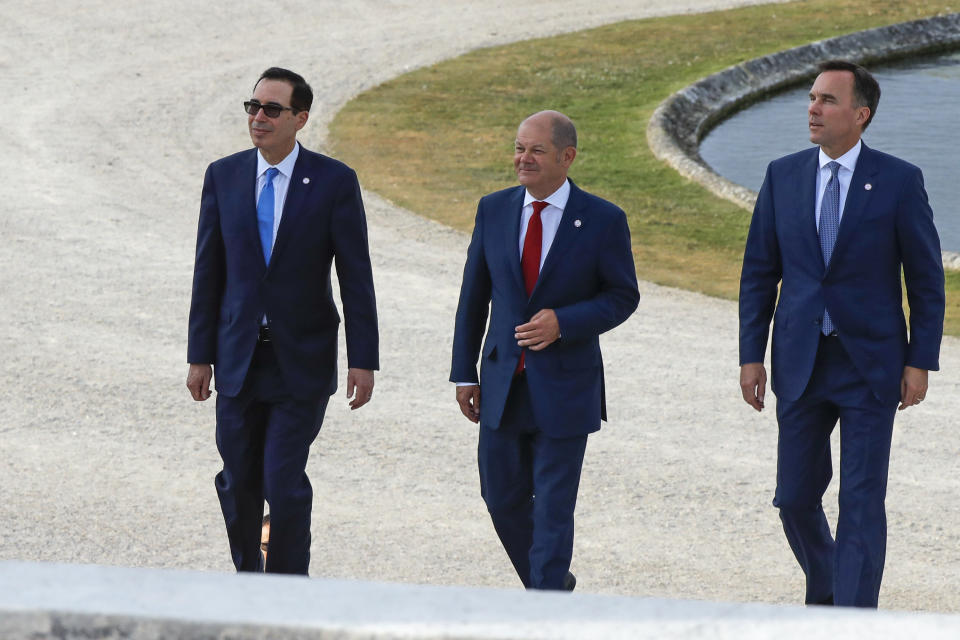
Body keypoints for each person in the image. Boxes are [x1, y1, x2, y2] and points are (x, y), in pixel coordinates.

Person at [738, 60, 944, 608]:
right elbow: (760, 271)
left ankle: (851, 618)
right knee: (794, 498)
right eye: (812, 97)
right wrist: (750, 355)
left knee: (860, 500)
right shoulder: (782, 175)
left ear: (861, 114)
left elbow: (925, 279)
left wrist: (919, 360)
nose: (813, 107)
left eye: (827, 100)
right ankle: (830, 583)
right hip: (800, 361)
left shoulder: (900, 181)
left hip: (870, 367)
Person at [187, 67, 379, 576]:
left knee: (282, 478)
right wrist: (199, 355)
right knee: (238, 480)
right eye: (253, 107)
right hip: (237, 360)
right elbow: (209, 272)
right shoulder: (223, 176)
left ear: (300, 118)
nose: (259, 118)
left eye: (272, 109)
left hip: (301, 360)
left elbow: (355, 276)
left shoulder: (335, 181)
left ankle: (289, 589)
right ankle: (250, 582)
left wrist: (364, 360)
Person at [451, 110, 640, 590]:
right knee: (500, 499)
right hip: (502, 385)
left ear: (566, 156)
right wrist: (464, 372)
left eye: (536, 150)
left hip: (566, 388)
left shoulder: (603, 220)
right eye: (518, 147)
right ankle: (552, 588)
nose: (523, 158)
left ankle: (545, 604)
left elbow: (623, 296)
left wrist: (565, 322)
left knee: (554, 508)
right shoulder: (493, 209)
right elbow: (473, 296)